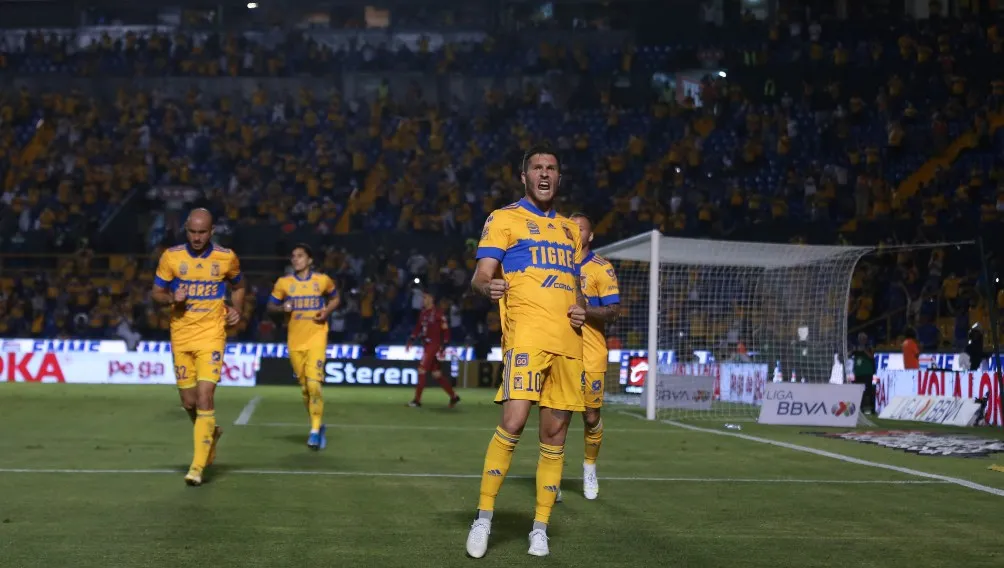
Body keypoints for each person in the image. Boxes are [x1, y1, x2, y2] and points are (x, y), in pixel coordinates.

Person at [465, 146, 587, 559]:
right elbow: (480, 276)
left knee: (555, 436)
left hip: (568, 342)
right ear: (524, 177)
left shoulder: (570, 230)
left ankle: (540, 527)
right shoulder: (503, 219)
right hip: (527, 337)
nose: (545, 173)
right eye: (537, 168)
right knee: (513, 422)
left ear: (559, 177)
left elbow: (576, 287)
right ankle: (483, 517)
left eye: (551, 168)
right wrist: (489, 286)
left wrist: (581, 306)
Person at [151, 209, 244, 486]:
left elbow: (239, 285)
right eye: (192, 232)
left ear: (212, 231)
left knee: (205, 398)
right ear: (186, 230)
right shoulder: (171, 257)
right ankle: (210, 433)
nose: (197, 237)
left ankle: (197, 467)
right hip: (181, 335)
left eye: (202, 232)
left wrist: (237, 309)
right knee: (189, 402)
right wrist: (171, 297)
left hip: (211, 335)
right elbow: (156, 292)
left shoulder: (226, 257)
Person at [559, 212, 620, 502]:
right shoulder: (554, 263)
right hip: (560, 351)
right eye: (570, 228)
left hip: (591, 354)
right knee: (558, 416)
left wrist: (587, 311)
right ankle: (552, 477)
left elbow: (613, 311)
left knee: (591, 416)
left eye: (581, 228)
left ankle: (589, 467)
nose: (575, 232)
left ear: (590, 235)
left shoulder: (601, 268)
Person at [267, 244, 339, 450]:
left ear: (310, 260)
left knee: (314, 384)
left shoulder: (322, 280)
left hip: (317, 337)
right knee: (306, 389)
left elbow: (335, 298)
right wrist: (282, 308)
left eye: (300, 256)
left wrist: (326, 312)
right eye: (293, 256)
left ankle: (314, 431)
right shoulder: (284, 283)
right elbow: (270, 306)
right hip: (295, 341)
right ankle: (317, 424)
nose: (295, 259)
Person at [406, 292, 460, 408]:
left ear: (431, 299)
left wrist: (444, 345)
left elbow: (446, 330)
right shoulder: (423, 313)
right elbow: (418, 328)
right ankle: (454, 396)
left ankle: (417, 400)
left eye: (425, 298)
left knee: (421, 370)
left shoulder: (438, 313)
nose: (423, 300)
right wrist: (411, 339)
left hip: (433, 346)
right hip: (426, 345)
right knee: (436, 374)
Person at [849, 332, 876, 414]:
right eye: (860, 339)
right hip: (858, 373)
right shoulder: (856, 348)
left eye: (863, 339)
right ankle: (860, 408)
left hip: (867, 372)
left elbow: (871, 356)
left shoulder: (869, 347)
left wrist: (864, 350)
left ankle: (872, 408)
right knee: (859, 391)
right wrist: (853, 350)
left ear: (866, 339)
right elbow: (848, 355)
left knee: (868, 390)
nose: (862, 340)